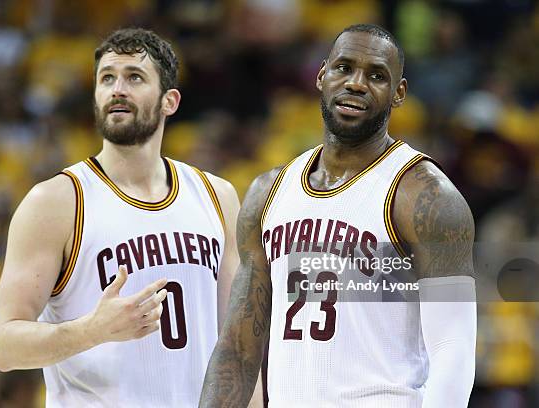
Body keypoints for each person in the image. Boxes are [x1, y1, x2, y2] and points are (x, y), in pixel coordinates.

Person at [200, 24, 477, 408]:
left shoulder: (426, 196)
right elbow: (238, 347)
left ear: (399, 93)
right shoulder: (268, 193)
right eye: (344, 68)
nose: (356, 84)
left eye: (376, 75)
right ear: (321, 75)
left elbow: (453, 349)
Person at [0, 28, 248, 407]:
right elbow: (4, 346)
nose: (117, 89)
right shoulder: (57, 201)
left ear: (169, 101)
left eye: (134, 77)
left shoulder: (217, 196)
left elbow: (238, 342)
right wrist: (90, 331)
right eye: (106, 78)